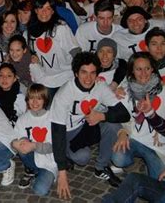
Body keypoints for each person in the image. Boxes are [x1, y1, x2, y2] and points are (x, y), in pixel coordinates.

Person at [51, 52, 131, 199]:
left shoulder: (100, 86)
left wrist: (102, 116)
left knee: (113, 126)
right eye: (84, 73)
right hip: (66, 131)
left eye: (93, 73)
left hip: (86, 124)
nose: (88, 78)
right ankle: (65, 156)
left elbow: (124, 114)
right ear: (76, 73)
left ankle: (101, 168)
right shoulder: (64, 94)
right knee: (82, 157)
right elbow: (57, 133)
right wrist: (61, 172)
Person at [111, 52, 165, 179]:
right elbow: (121, 117)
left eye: (147, 68)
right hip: (134, 138)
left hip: (157, 146)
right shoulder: (125, 91)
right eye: (138, 69)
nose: (143, 73)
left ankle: (148, 163)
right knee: (118, 158)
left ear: (153, 69)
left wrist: (164, 123)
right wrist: (122, 132)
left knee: (160, 179)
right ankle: (133, 163)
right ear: (132, 71)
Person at [27, 0, 80, 98]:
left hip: (66, 76)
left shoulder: (61, 28)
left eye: (48, 9)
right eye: (41, 8)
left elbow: (76, 52)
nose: (44, 12)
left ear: (53, 11)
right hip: (47, 79)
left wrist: (80, 74)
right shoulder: (30, 31)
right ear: (36, 10)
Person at [12, 84, 57, 196]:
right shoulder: (23, 119)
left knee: (40, 190)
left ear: (45, 100)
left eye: (39, 98)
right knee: (21, 142)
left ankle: (40, 173)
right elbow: (15, 139)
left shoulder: (52, 118)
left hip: (49, 161)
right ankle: (31, 170)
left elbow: (54, 146)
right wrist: (15, 143)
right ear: (27, 100)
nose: (35, 102)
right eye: (32, 98)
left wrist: (34, 146)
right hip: (31, 158)